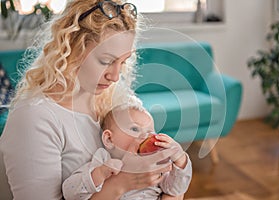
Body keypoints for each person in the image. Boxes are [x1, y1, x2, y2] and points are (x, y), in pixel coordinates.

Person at [0, 0, 181, 199]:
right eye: (106, 61)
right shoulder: (34, 118)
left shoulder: (114, 101)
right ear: (72, 48)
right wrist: (121, 184)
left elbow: (168, 188)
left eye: (123, 62)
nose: (115, 76)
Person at [62, 97, 192, 200]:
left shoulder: (155, 164)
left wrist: (180, 160)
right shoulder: (103, 160)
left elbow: (175, 190)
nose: (145, 136)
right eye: (135, 129)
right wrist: (99, 174)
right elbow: (70, 193)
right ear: (109, 139)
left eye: (150, 132)